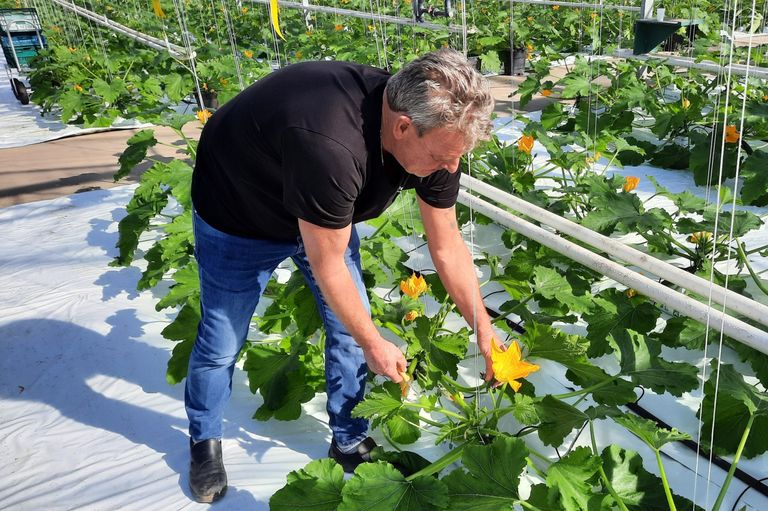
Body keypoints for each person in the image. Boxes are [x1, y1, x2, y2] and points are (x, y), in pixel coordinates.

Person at [186, 47, 498, 503]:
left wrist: (483, 329)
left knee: (351, 331)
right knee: (221, 339)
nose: (449, 169)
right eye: (441, 157)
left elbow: (447, 244)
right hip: (239, 213)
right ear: (403, 127)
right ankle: (203, 442)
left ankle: (348, 437)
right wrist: (375, 341)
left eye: (457, 158)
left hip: (321, 213)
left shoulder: (440, 138)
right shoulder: (332, 143)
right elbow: (327, 262)